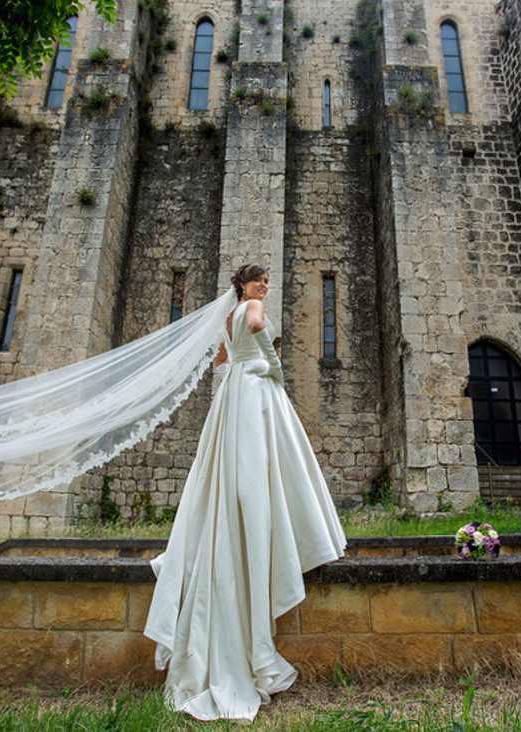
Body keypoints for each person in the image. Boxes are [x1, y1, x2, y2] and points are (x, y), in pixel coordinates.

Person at [143, 264, 347, 722]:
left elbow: (221, 357)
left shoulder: (227, 315)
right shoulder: (251, 308)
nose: (264, 288)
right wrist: (272, 365)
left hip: (234, 391)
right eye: (259, 281)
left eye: (267, 282)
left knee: (235, 468)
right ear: (244, 285)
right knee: (265, 465)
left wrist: (239, 363)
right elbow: (255, 328)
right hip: (254, 390)